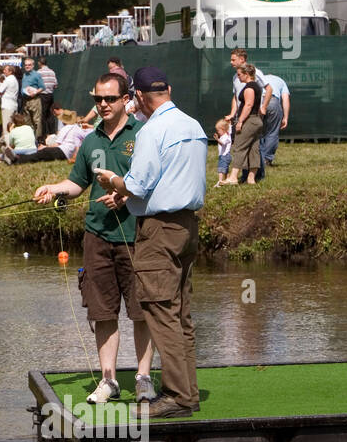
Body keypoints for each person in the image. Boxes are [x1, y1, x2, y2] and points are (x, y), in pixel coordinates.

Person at [34, 73, 155, 404]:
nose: (102, 105)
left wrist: (125, 195)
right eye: (97, 99)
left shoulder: (143, 135)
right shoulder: (90, 140)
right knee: (102, 312)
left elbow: (153, 184)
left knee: (142, 310)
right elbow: (77, 184)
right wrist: (55, 189)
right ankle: (109, 380)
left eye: (109, 99)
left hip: (136, 237)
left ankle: (144, 377)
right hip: (97, 236)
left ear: (125, 100)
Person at [95, 67, 207, 418]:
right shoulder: (194, 126)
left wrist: (111, 179)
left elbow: (138, 186)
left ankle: (177, 396)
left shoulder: (151, 131)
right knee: (181, 314)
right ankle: (188, 391)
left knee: (160, 310)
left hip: (160, 230)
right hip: (188, 227)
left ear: (139, 97)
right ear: (168, 89)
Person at [229, 63, 263, 184]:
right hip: (256, 120)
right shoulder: (257, 86)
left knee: (240, 146)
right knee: (254, 148)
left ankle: (233, 177)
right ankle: (251, 178)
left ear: (247, 74)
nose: (238, 77)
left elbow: (248, 105)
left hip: (250, 120)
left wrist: (240, 121)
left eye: (239, 75)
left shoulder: (249, 87)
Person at [256, 70, 290, 179]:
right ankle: (267, 159)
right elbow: (285, 99)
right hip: (273, 101)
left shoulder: (260, 78)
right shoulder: (281, 81)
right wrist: (285, 117)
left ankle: (257, 159)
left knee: (257, 132)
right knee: (272, 132)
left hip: (260, 100)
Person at [20, 58, 45, 130]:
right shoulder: (24, 75)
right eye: (26, 65)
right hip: (25, 101)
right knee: (27, 121)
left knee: (36, 121)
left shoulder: (37, 75)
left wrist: (35, 92)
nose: (27, 66)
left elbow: (42, 87)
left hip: (34, 100)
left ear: (33, 66)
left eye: (29, 65)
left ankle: (37, 139)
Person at [37, 59, 58, 137]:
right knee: (50, 115)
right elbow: (55, 85)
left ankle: (43, 134)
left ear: (39, 63)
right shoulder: (52, 72)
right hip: (50, 95)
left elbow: (36, 84)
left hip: (42, 95)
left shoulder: (38, 72)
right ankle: (52, 133)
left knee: (42, 115)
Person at [0, 64, 20, 131]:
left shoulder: (7, 80)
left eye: (5, 70)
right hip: (13, 105)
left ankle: (7, 141)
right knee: (12, 126)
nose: (4, 71)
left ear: (10, 71)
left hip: (7, 105)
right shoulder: (15, 79)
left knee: (6, 127)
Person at [214, 118, 233, 186]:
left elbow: (223, 143)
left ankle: (220, 181)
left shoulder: (225, 137)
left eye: (219, 130)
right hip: (225, 155)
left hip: (224, 155)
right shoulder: (228, 134)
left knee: (221, 169)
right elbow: (230, 130)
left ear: (224, 129)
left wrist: (217, 139)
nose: (218, 132)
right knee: (226, 169)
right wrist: (229, 124)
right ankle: (227, 180)